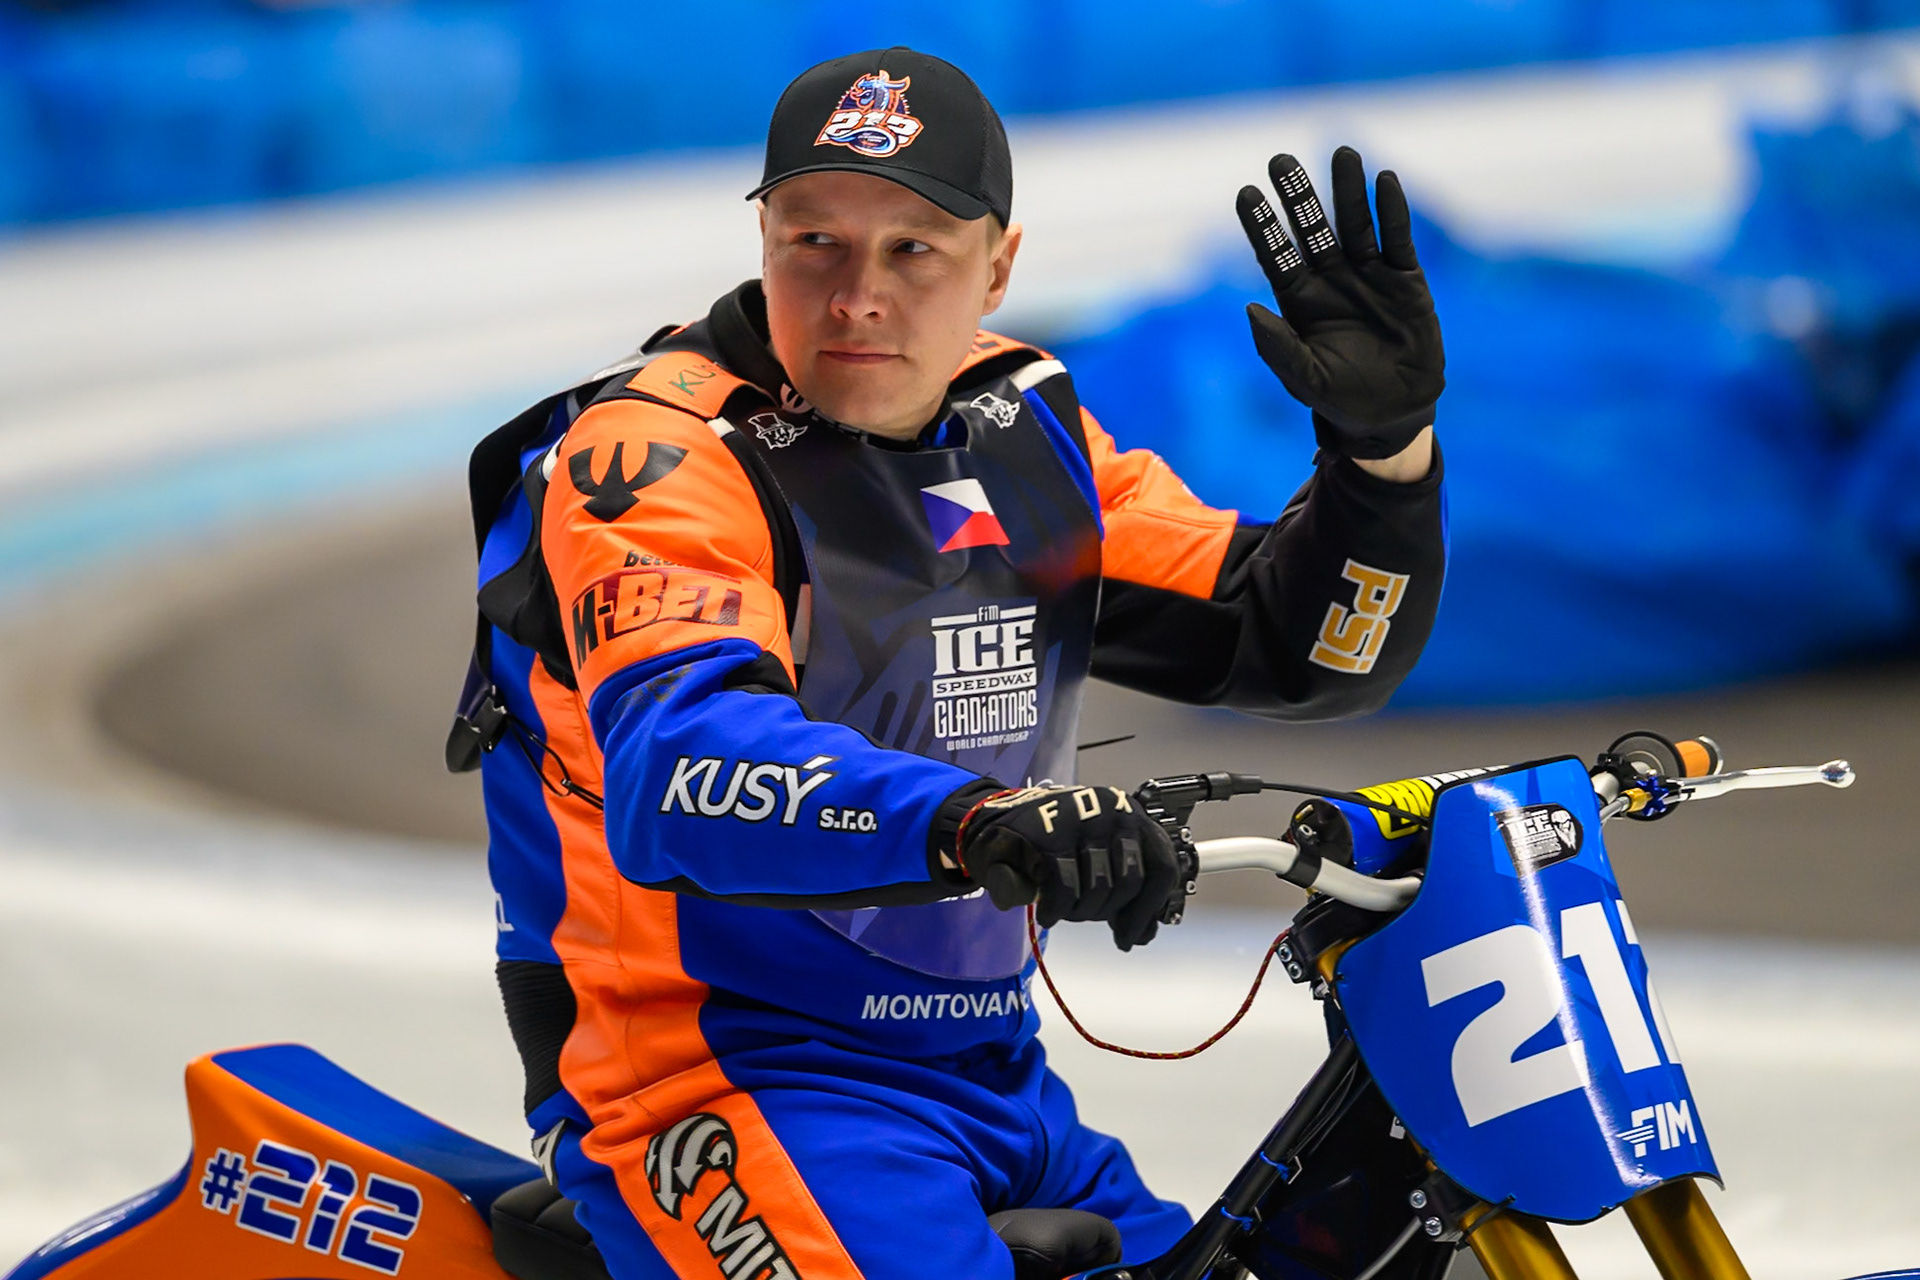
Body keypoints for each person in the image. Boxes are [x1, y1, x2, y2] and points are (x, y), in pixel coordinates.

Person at [451, 45, 1447, 1280]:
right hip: (713, 1075)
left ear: (1000, 263)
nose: (858, 294)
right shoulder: (656, 457)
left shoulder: (1020, 424)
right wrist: (982, 820)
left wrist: (1382, 457)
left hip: (996, 1081)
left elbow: (1296, 645)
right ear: (762, 235)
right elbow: (684, 761)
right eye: (815, 239)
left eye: (913, 246)